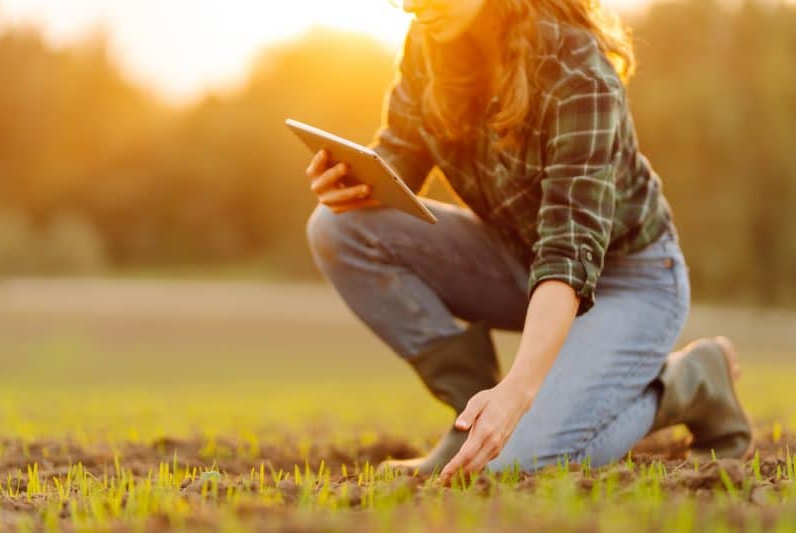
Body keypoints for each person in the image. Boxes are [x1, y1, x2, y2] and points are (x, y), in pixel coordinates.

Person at [303, 0, 753, 483]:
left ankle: (691, 382)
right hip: (518, 257)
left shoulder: (578, 72)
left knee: (522, 462)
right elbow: (404, 153)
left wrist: (520, 389)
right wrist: (356, 183)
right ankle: (471, 420)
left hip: (628, 279)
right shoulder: (428, 40)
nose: (412, 6)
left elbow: (569, 249)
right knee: (336, 227)